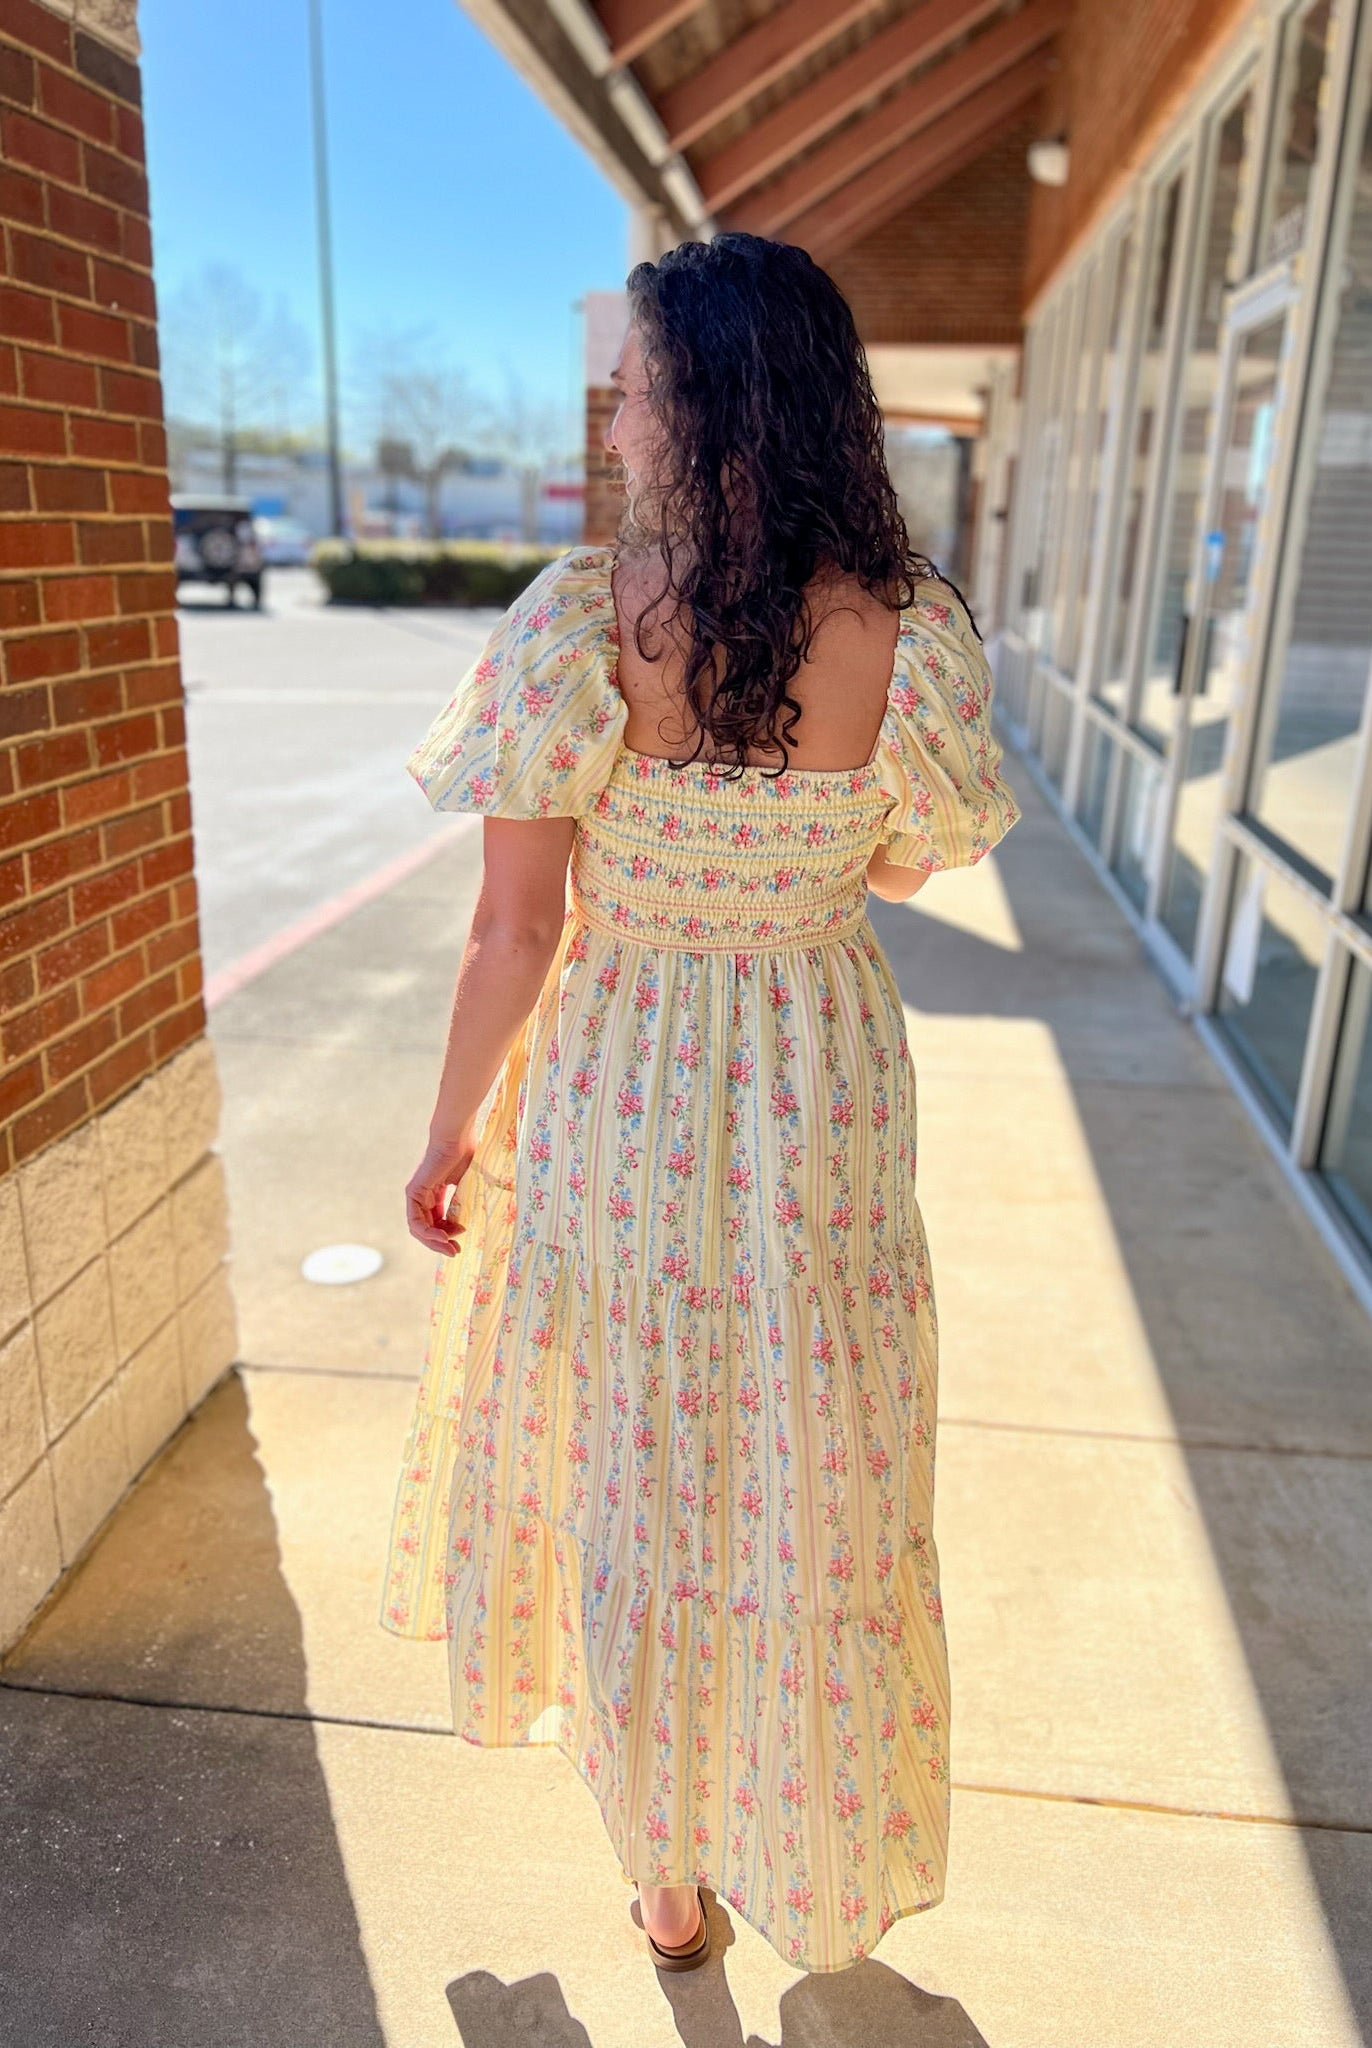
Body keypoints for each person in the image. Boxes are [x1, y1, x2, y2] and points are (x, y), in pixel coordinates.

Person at [379, 232, 1020, 1976]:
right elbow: (913, 863)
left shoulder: (582, 621)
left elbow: (513, 932)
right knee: (815, 1474)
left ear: (701, 400)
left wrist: (448, 1136)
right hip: (818, 1091)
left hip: (622, 1085)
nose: (622, 405)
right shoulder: (914, 633)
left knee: (643, 1469)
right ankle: (799, 1844)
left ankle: (667, 1878)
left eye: (641, 377)